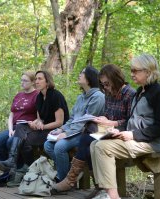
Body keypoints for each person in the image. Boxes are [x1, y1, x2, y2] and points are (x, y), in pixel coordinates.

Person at [90, 54, 160, 199]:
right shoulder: (140, 91)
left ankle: (113, 196)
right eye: (131, 70)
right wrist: (117, 130)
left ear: (148, 71)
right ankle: (105, 190)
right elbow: (131, 120)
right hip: (135, 138)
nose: (132, 74)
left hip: (150, 143)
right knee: (94, 144)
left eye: (135, 70)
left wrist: (133, 135)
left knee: (103, 147)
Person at [53, 64, 136, 194]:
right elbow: (108, 116)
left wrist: (111, 123)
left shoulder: (130, 94)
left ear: (116, 79)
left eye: (107, 84)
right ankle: (96, 184)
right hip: (108, 130)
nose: (105, 87)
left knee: (87, 141)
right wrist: (102, 119)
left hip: (124, 133)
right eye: (103, 85)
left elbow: (131, 123)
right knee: (89, 133)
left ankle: (78, 181)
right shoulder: (108, 93)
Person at [0, 70, 69, 174]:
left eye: (40, 79)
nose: (37, 81)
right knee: (21, 128)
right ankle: (12, 161)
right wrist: (36, 123)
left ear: (47, 81)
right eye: (36, 79)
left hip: (57, 130)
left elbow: (60, 122)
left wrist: (43, 126)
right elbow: (40, 118)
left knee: (24, 141)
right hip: (43, 129)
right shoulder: (39, 97)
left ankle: (28, 168)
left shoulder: (56, 96)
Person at [44, 66, 105, 181]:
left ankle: (62, 180)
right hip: (73, 131)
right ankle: (69, 176)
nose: (79, 75)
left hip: (87, 133)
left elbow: (86, 122)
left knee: (59, 146)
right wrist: (61, 129)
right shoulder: (80, 97)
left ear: (89, 78)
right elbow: (72, 118)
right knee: (47, 145)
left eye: (82, 73)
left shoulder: (98, 97)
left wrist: (67, 134)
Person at [0, 72, 39, 179]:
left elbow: (40, 116)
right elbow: (11, 114)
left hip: (27, 128)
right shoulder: (18, 95)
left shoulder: (37, 95)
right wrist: (10, 129)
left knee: (10, 141)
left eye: (25, 80)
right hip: (14, 127)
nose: (22, 83)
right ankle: (6, 168)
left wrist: (33, 123)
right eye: (21, 80)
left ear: (32, 82)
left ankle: (18, 168)